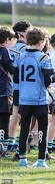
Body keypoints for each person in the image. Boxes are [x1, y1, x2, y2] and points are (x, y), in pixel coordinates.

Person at [13, 27, 55, 167]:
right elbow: (48, 80)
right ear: (41, 42)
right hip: (39, 99)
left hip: (24, 99)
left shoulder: (20, 55)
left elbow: (15, 79)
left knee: (24, 129)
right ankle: (40, 160)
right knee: (42, 130)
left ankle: (23, 160)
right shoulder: (44, 58)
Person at [9, 20, 32, 155]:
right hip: (20, 86)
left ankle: (11, 142)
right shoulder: (24, 49)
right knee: (17, 115)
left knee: (15, 115)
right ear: (22, 33)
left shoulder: (12, 47)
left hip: (13, 85)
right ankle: (14, 142)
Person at [0, 27, 15, 157]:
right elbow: (11, 69)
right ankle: (2, 149)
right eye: (12, 39)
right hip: (4, 90)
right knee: (4, 120)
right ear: (6, 40)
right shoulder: (4, 51)